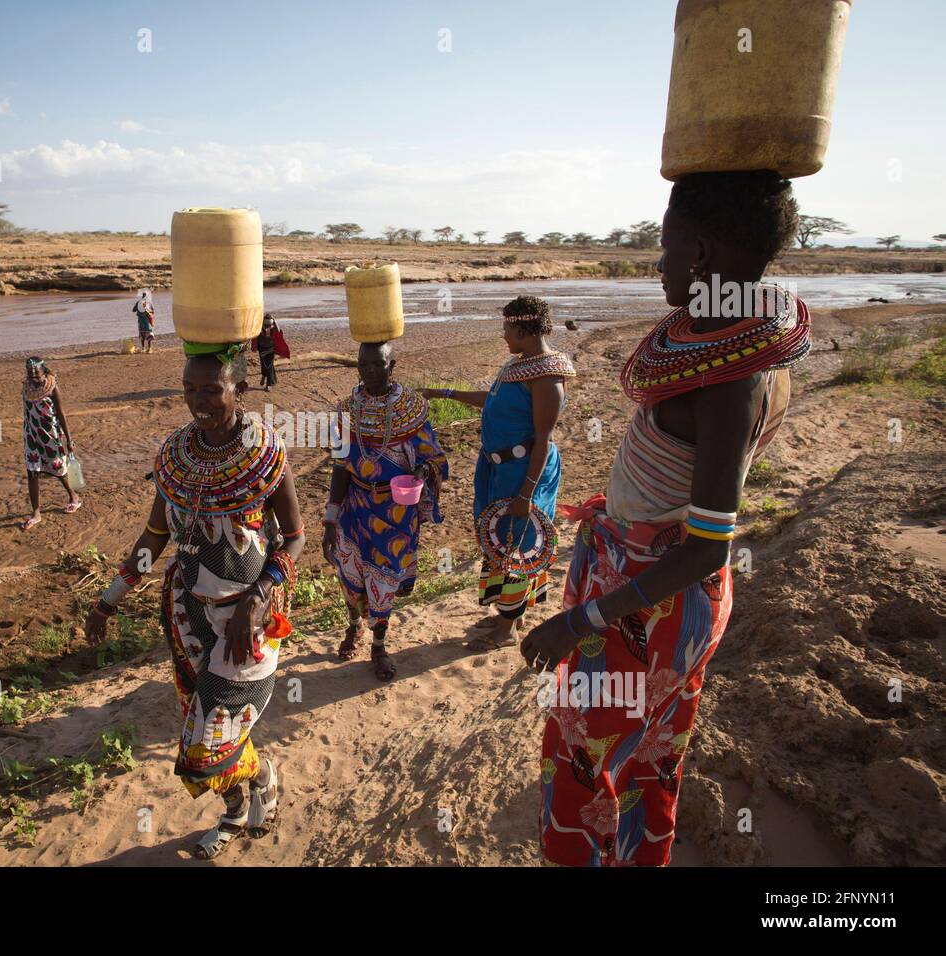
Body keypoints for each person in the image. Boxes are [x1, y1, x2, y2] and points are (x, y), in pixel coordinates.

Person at [520, 170, 810, 866]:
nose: (658, 264)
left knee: (584, 755)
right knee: (648, 751)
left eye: (666, 245)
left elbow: (710, 546)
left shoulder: (732, 380)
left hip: (654, 604)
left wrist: (580, 621)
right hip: (650, 588)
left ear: (703, 253)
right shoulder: (741, 343)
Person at [84, 341, 305, 860]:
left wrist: (258, 599)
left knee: (204, 749)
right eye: (189, 389)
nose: (198, 401)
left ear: (240, 390)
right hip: (187, 620)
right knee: (203, 727)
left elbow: (295, 536)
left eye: (212, 389)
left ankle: (264, 776)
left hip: (248, 626)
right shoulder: (176, 456)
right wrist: (109, 600)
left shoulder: (264, 454)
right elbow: (154, 537)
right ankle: (234, 811)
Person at [422, 296, 574, 650]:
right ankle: (509, 614)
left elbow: (543, 440)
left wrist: (525, 495)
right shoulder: (520, 365)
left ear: (522, 330)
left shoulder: (548, 376)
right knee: (500, 540)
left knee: (517, 543)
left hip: (523, 471)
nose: (503, 336)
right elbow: (490, 400)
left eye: (507, 329)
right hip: (497, 468)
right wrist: (443, 392)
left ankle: (507, 631)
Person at [325, 340, 448, 680]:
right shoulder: (346, 412)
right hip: (355, 510)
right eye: (363, 365)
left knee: (384, 582)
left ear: (392, 366)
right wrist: (330, 520)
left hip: (395, 516)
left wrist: (423, 472)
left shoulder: (411, 410)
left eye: (378, 365)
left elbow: (433, 457)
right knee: (350, 575)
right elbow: (340, 468)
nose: (369, 372)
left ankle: (378, 646)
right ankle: (353, 626)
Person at [21, 356, 79, 530]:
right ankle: (36, 513)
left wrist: (69, 439)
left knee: (58, 470)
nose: (34, 378)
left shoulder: (52, 388)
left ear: (44, 371)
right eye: (30, 375)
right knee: (32, 472)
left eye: (37, 374)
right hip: (31, 435)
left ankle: (73, 496)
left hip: (50, 435)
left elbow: (61, 415)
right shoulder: (25, 388)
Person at [251, 313, 289, 390]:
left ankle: (269, 384)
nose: (268, 325)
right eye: (266, 322)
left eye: (269, 322)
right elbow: (254, 337)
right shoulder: (259, 327)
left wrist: (274, 321)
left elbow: (278, 332)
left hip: (271, 348)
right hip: (262, 348)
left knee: (270, 366)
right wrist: (254, 347)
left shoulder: (273, 327)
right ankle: (264, 375)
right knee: (264, 364)